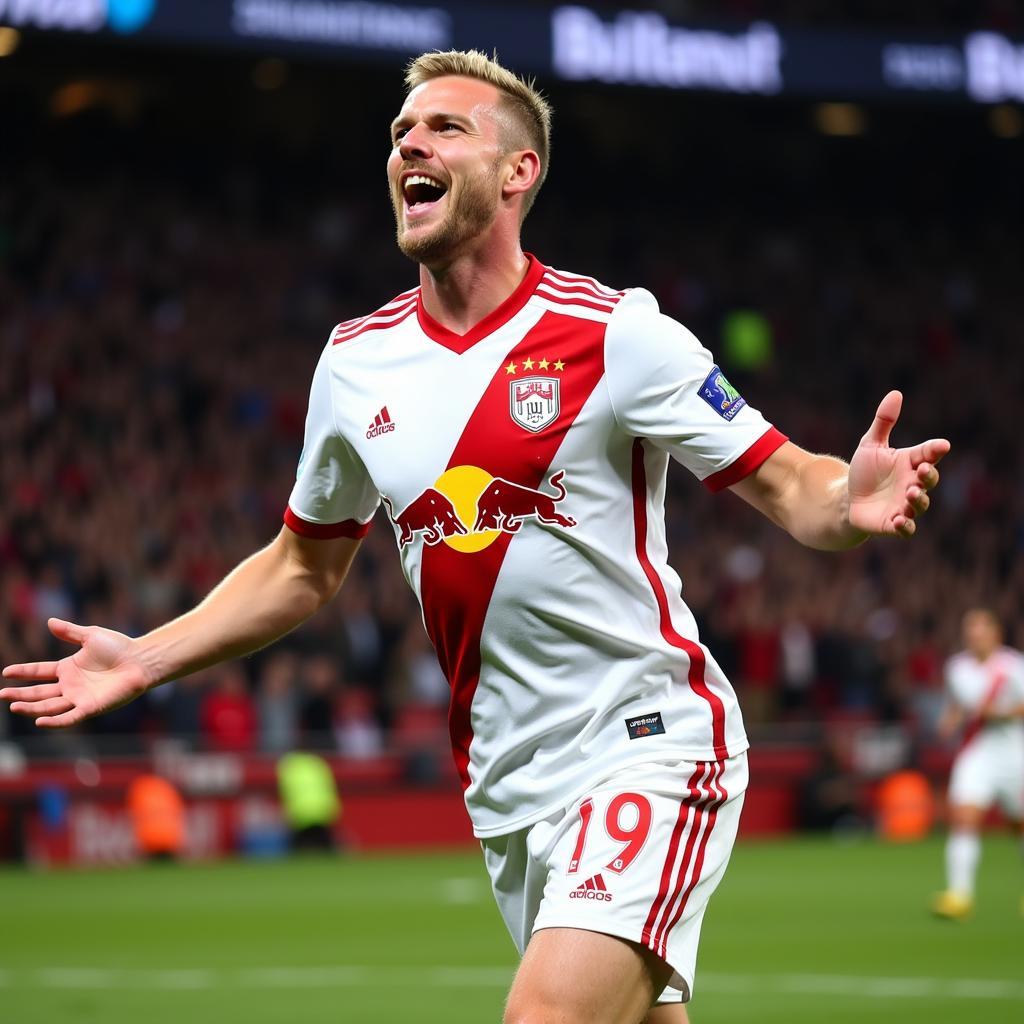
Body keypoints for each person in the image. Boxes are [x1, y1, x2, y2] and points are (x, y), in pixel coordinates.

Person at [1, 50, 950, 1024]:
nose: (409, 141)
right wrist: (145, 658)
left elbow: (794, 485)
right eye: (400, 133)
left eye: (444, 127)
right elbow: (301, 565)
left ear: (516, 172)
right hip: (507, 784)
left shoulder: (616, 336)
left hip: (648, 741)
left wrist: (847, 501)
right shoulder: (356, 362)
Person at [931, 608, 1024, 920]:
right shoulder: (957, 667)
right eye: (969, 629)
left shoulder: (1013, 667)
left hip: (1014, 752)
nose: (974, 634)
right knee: (964, 818)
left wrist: (998, 713)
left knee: (1018, 826)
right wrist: (950, 721)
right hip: (978, 751)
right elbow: (961, 703)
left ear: (996, 633)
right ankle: (960, 895)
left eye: (981, 628)